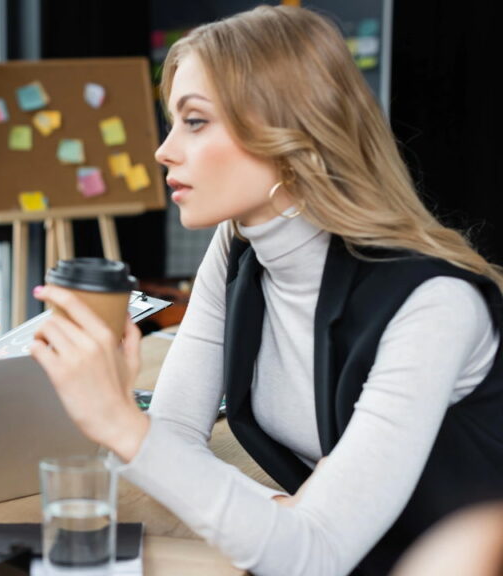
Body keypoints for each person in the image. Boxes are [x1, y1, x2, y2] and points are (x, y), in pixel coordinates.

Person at [29, 5, 503, 576]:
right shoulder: (237, 247)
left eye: (195, 121)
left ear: (288, 134)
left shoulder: (434, 303)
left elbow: (316, 553)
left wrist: (117, 419)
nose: (164, 150)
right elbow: (176, 433)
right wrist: (281, 518)